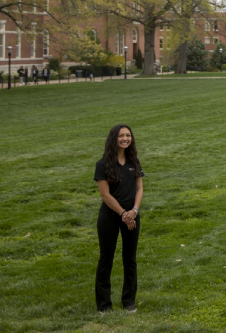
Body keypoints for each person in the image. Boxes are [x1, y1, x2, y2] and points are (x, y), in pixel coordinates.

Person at [94, 124, 144, 313]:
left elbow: (139, 188)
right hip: (110, 216)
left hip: (132, 215)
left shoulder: (134, 161)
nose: (125, 138)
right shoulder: (103, 164)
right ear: (114, 139)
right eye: (121, 135)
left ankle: (129, 301)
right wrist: (123, 213)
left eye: (128, 135)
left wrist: (134, 211)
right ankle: (104, 306)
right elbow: (105, 195)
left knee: (130, 259)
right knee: (106, 259)